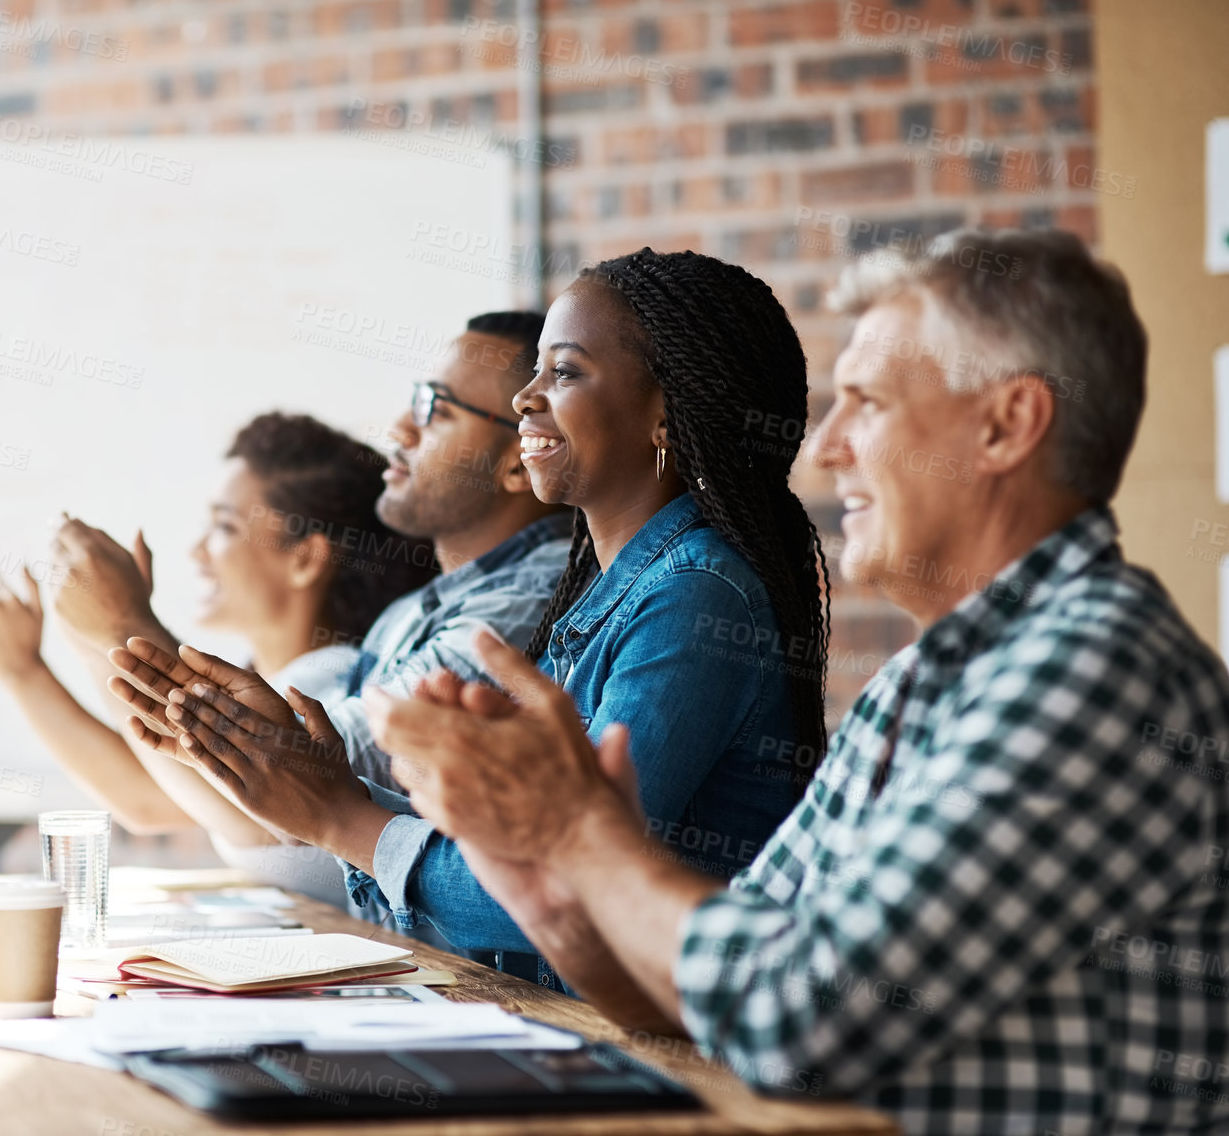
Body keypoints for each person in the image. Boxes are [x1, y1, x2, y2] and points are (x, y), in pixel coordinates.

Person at [367, 230, 1229, 1134]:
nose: (825, 447)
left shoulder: (1088, 678)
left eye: (866, 403)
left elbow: (795, 1014)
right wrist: (537, 876)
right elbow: (704, 982)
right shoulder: (924, 683)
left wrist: (577, 833)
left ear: (1005, 424)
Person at [106, 252, 831, 989]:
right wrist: (318, 782)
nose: (525, 398)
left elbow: (558, 888)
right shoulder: (610, 590)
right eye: (535, 371)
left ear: (663, 415)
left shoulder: (693, 595)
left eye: (565, 371)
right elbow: (524, 854)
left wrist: (340, 816)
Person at [0, 412, 431, 904]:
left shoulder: (325, 682)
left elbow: (146, 797)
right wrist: (81, 631)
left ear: (304, 558)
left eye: (224, 527)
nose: (197, 552)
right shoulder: (275, 677)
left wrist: (53, 652)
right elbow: (156, 778)